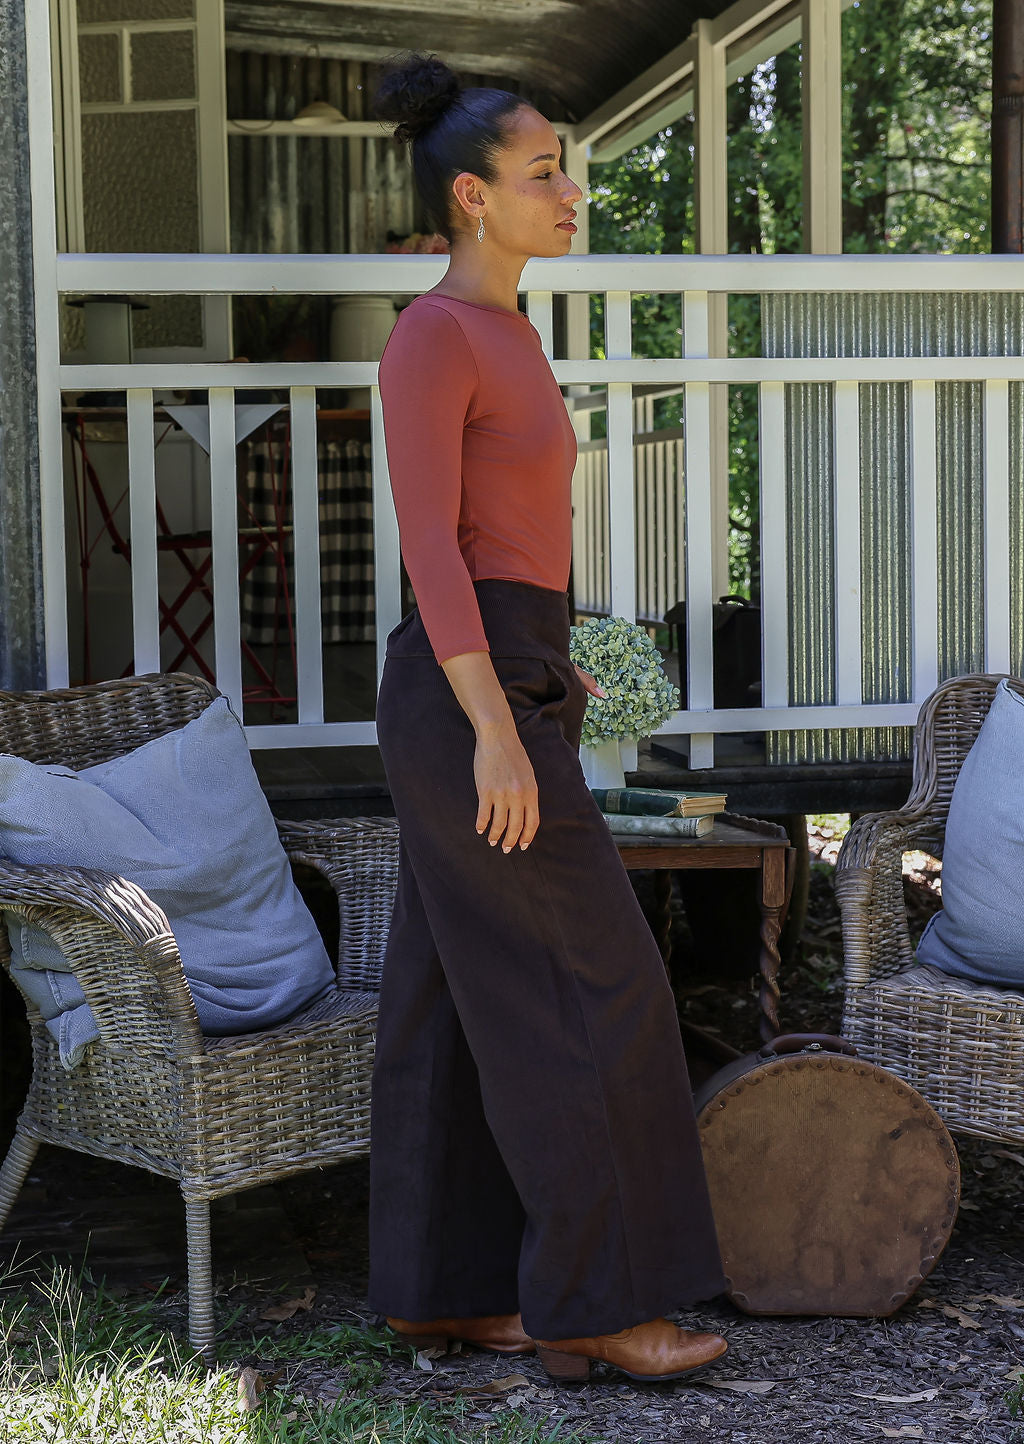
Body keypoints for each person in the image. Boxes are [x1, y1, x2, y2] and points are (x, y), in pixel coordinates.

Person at [366, 51, 729, 1385]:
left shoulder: (512, 334)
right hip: (467, 693)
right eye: (541, 173)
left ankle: (443, 1290)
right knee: (602, 988)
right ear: (472, 196)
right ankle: (596, 1306)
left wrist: (544, 684)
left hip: (513, 675)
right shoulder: (432, 338)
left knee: (450, 1000)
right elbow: (434, 551)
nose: (569, 192)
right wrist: (498, 731)